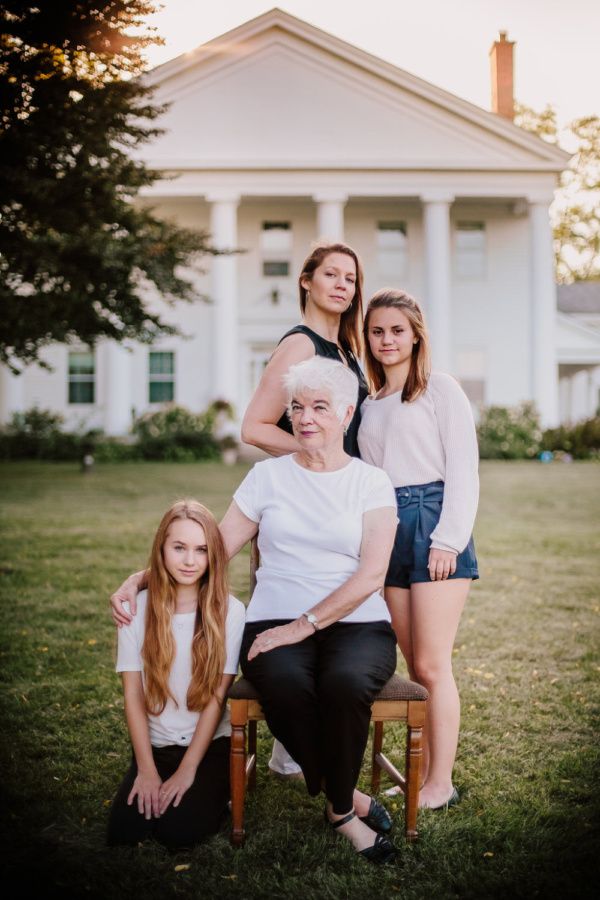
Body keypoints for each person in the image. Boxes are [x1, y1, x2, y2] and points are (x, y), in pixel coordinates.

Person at [220, 357, 399, 864]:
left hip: (358, 622)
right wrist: (147, 575)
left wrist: (303, 626)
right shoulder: (266, 477)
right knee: (285, 684)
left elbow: (370, 575)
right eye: (297, 407)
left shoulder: (371, 482)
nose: (304, 418)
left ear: (347, 413)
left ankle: (337, 805)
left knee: (345, 684)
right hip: (273, 618)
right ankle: (347, 806)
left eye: (319, 407)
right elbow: (216, 548)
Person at [241, 239, 367, 776]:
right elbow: (254, 427)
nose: (342, 285)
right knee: (298, 608)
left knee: (333, 618)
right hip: (306, 501)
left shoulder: (347, 351)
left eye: (351, 278)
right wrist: (320, 456)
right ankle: (296, 749)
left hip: (347, 505)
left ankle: (289, 749)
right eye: (331, 274)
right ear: (306, 281)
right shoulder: (300, 345)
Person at [358, 289, 479, 810]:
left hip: (434, 521)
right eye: (377, 331)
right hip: (388, 526)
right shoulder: (371, 402)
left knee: (432, 664)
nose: (387, 340)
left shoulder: (441, 389)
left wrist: (448, 539)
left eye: (397, 331)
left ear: (415, 335)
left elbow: (463, 471)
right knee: (413, 663)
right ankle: (425, 772)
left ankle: (440, 783)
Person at [107, 500, 245, 849]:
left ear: (213, 554)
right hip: (155, 745)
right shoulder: (136, 610)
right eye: (179, 547)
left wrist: (188, 770)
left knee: (178, 835)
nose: (189, 561)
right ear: (162, 549)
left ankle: (215, 794)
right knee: (123, 832)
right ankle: (156, 777)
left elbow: (217, 697)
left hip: (208, 745)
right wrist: (146, 769)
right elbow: (133, 697)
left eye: (200, 550)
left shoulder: (230, 612)